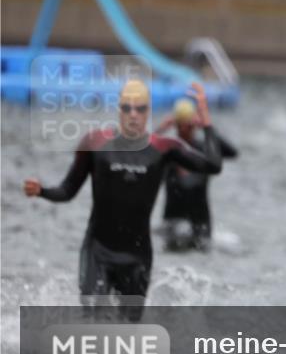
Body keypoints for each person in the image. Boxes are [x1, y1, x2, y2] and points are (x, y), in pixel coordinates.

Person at [23, 81, 222, 320]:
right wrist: (42, 190)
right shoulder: (95, 144)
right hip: (98, 252)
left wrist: (206, 120)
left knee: (127, 334)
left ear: (148, 112)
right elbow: (68, 191)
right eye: (127, 108)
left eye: (140, 109)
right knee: (93, 324)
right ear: (119, 110)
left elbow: (214, 165)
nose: (133, 115)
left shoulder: (164, 148)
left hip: (137, 258)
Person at [156, 97, 238, 250]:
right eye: (181, 125)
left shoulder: (203, 150)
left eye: (188, 125)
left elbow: (232, 152)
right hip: (172, 223)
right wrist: (161, 129)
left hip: (200, 223)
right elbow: (143, 155)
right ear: (176, 125)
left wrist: (207, 126)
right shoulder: (169, 151)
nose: (185, 128)